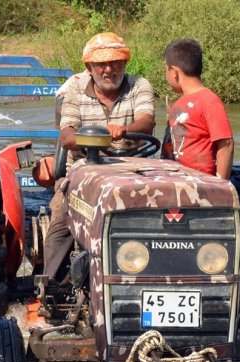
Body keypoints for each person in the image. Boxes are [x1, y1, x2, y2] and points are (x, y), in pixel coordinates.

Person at [42, 32, 156, 280]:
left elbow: (146, 123)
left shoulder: (139, 86)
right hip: (83, 173)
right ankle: (49, 289)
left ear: (124, 64)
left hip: (132, 173)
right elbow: (68, 137)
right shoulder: (75, 88)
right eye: (101, 64)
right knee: (61, 223)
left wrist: (124, 130)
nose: (108, 70)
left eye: (115, 63)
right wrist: (101, 136)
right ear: (89, 67)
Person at [162, 38, 234, 179]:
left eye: (166, 69)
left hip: (200, 184)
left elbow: (226, 144)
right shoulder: (178, 104)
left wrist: (220, 185)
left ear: (174, 71)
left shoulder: (209, 101)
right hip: (176, 180)